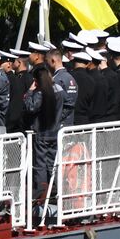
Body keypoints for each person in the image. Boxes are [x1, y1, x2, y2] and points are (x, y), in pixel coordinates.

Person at [25, 47, 78, 213]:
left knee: (40, 166)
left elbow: (31, 108)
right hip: (55, 132)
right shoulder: (59, 90)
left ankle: (41, 197)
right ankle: (54, 192)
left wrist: (29, 92)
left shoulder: (41, 92)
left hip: (42, 133)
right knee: (52, 165)